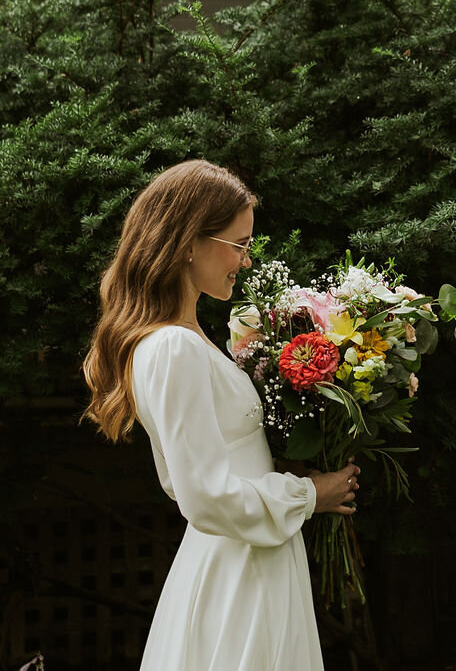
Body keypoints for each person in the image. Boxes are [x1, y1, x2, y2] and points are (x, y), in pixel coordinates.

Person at [82, 160, 360, 670]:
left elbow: (221, 468)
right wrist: (307, 495)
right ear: (190, 241)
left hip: (257, 553)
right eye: (239, 244)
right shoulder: (171, 348)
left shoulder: (188, 340)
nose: (247, 261)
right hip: (239, 568)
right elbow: (203, 495)